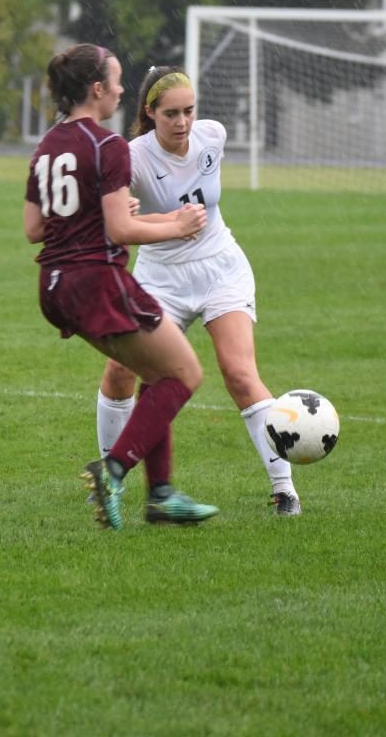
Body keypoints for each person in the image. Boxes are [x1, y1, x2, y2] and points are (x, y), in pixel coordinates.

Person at [24, 43, 219, 530]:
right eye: (115, 81)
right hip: (96, 281)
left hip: (54, 286)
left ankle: (163, 496)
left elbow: (34, 226)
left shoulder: (47, 144)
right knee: (184, 375)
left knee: (154, 372)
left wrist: (94, 215)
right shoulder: (107, 145)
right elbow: (120, 233)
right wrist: (177, 225)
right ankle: (113, 470)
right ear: (96, 89)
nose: (121, 89)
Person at [92, 66, 304, 516]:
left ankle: (285, 490)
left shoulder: (214, 136)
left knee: (240, 374)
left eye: (189, 111)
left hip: (221, 268)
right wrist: (166, 222)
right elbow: (115, 228)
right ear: (150, 113)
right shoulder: (131, 158)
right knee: (120, 372)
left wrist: (175, 222)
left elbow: (202, 206)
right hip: (161, 279)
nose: (183, 123)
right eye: (171, 114)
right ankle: (113, 482)